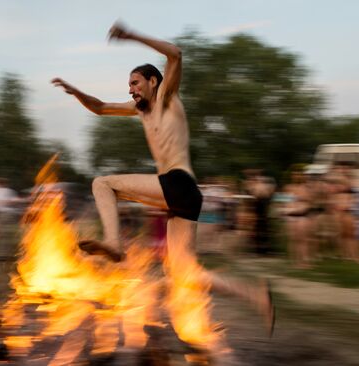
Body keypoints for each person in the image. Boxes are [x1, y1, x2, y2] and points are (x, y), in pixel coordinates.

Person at [52, 22, 274, 348]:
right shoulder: (139, 110)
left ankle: (114, 243)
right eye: (129, 85)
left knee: (103, 183)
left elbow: (175, 54)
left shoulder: (167, 98)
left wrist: (132, 37)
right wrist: (76, 92)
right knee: (185, 275)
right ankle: (256, 295)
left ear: (153, 81)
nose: (131, 90)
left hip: (178, 182)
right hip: (185, 197)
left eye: (135, 83)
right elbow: (100, 108)